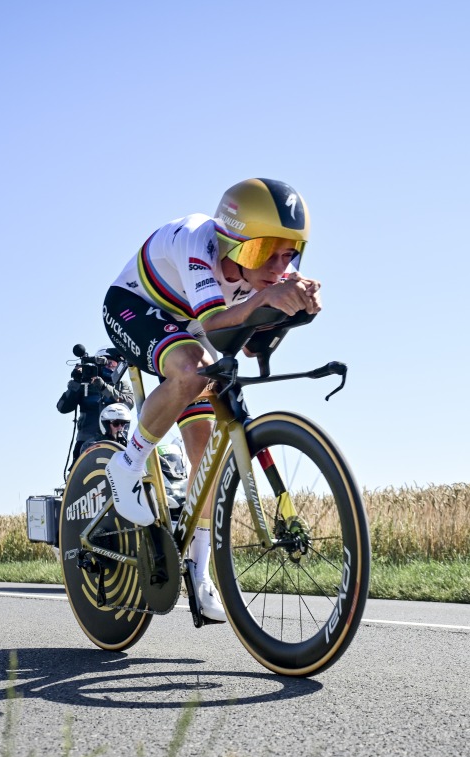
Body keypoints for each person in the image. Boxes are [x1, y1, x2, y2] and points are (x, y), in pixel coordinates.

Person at [100, 178, 322, 622]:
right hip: (136, 307)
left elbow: (249, 343)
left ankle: (199, 573)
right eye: (265, 251)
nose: (279, 266)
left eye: (290, 253)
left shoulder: (272, 272)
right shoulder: (197, 242)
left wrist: (292, 311)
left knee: (207, 449)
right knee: (191, 368)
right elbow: (217, 325)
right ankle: (126, 465)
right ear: (230, 241)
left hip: (192, 326)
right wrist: (267, 298)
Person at [56, 348, 135, 462]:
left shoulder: (122, 385)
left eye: (113, 364)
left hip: (116, 442)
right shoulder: (84, 384)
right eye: (107, 363)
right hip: (85, 444)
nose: (110, 366)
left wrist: (104, 387)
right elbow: (62, 407)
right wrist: (76, 383)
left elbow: (128, 404)